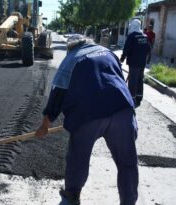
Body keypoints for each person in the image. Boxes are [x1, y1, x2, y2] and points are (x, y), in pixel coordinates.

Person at [35, 35, 138, 205]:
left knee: (78, 158)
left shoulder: (71, 59)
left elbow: (57, 93)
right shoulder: (108, 52)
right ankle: (129, 202)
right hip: (122, 110)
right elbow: (118, 80)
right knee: (127, 162)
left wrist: (45, 124)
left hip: (88, 113)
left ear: (71, 48)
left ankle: (72, 196)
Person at [121, 19, 150, 108]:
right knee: (140, 79)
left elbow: (126, 49)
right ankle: (139, 98)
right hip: (142, 63)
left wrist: (122, 59)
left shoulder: (132, 36)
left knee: (133, 80)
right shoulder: (145, 36)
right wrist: (148, 60)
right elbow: (149, 49)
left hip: (134, 63)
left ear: (132, 26)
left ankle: (131, 99)